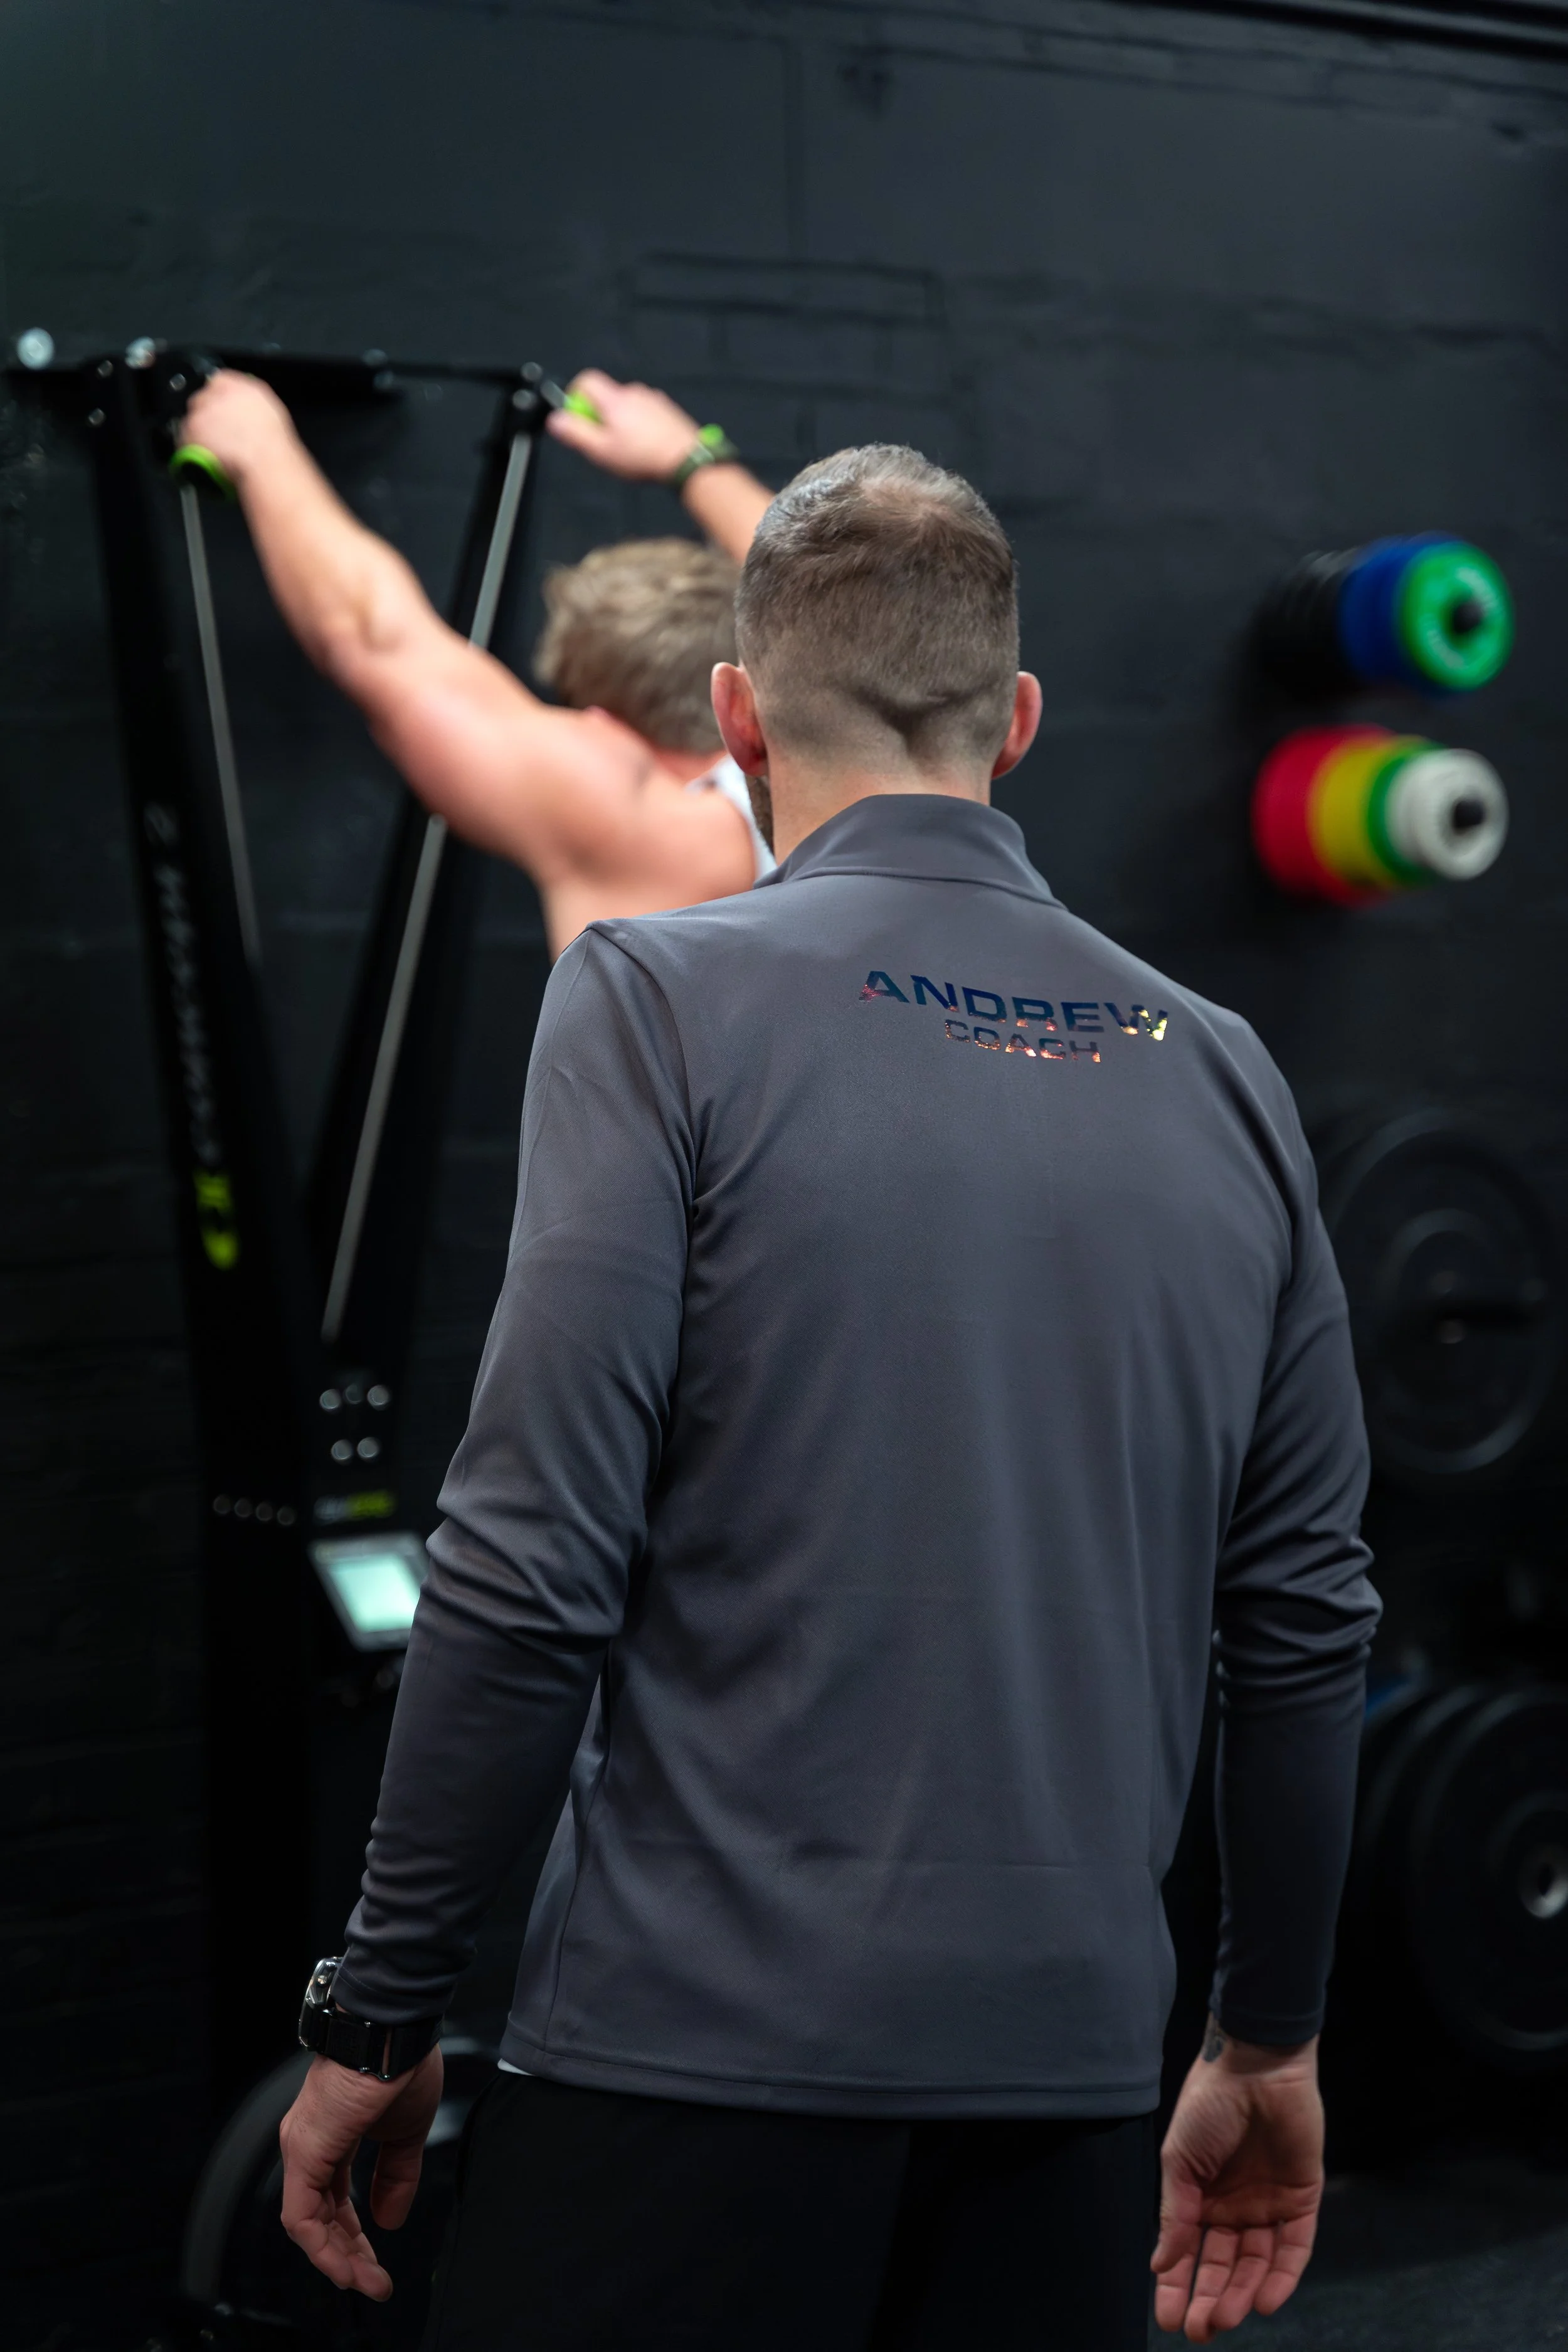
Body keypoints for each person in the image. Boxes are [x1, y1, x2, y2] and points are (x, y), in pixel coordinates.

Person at [276, 445, 1380, 2348]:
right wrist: (1267, 2033)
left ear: (735, 717)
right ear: (1015, 720)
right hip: (1062, 2080)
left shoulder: (651, 997)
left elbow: (529, 1564)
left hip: (688, 2064)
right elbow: (1300, 1617)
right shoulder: (1222, 1067)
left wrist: (379, 2003)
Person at [176, 368, 777, 957]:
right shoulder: (824, 767)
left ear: (602, 726)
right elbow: (819, 579)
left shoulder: (655, 834)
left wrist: (259, 446)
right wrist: (688, 457)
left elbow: (371, 639)